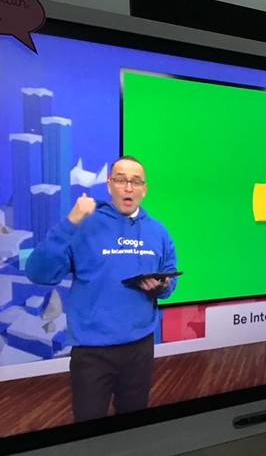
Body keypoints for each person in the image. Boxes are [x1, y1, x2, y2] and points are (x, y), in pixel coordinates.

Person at [26, 155, 178, 422]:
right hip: (92, 350)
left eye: (136, 181)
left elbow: (170, 279)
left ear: (144, 189)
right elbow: (38, 272)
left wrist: (162, 286)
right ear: (109, 185)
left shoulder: (159, 231)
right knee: (89, 424)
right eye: (121, 180)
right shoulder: (84, 224)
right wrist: (71, 221)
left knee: (134, 424)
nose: (128, 187)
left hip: (140, 346)